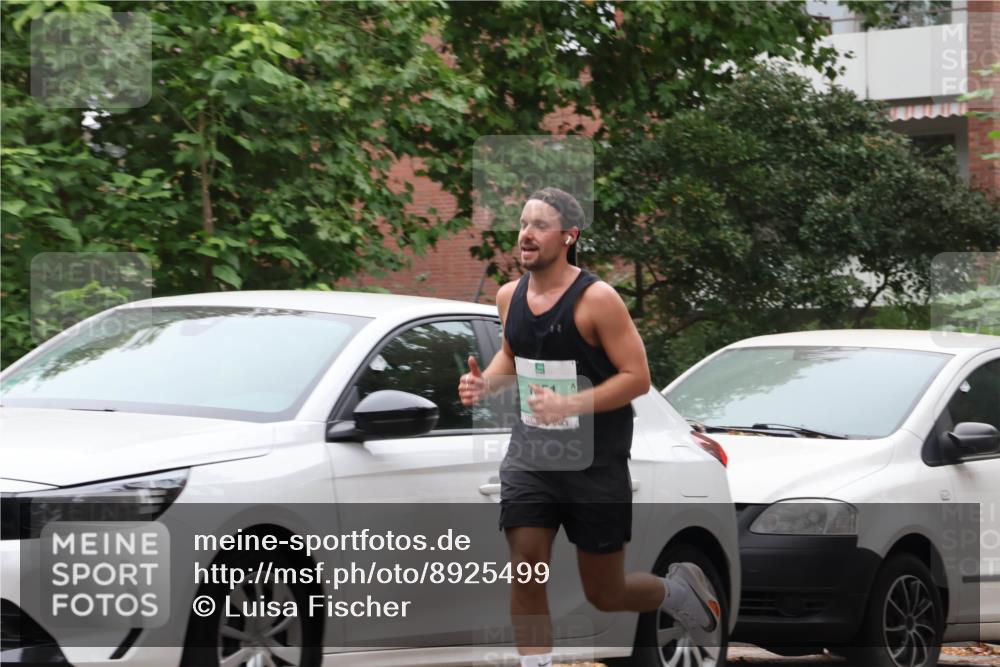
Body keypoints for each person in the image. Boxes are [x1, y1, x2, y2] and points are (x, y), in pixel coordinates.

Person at [458, 187, 722, 667]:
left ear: (568, 236)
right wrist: (486, 384)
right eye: (522, 223)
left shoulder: (597, 300)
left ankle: (675, 590)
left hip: (596, 461)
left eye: (540, 225)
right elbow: (512, 357)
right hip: (533, 455)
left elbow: (637, 378)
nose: (526, 233)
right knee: (526, 571)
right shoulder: (508, 297)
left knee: (606, 590)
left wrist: (571, 404)